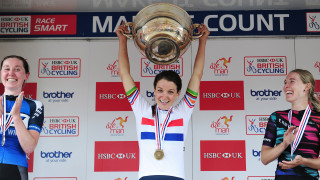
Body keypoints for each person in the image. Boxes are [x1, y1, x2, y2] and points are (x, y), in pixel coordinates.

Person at [116, 23, 209, 180]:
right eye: (160, 90)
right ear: (154, 90)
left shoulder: (183, 111)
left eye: (170, 92)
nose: (164, 96)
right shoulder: (142, 110)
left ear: (178, 93)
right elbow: (124, 74)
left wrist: (203, 41)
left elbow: (196, 75)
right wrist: (122, 40)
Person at [261, 69, 320, 180]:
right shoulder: (276, 117)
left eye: (291, 81)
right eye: (285, 82)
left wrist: (303, 161)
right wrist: (284, 144)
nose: (286, 86)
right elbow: (264, 158)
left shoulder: (318, 119)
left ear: (306, 87)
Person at [0, 55, 44, 180]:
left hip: (16, 169)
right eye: (7, 69)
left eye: (17, 69)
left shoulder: (35, 105)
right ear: (1, 73)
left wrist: (16, 116)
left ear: (26, 76)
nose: (11, 73)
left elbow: (29, 147)